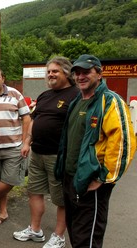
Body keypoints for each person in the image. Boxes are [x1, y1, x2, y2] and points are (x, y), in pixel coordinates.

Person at [55, 54, 136, 247]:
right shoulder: (76, 101)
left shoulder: (110, 101)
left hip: (91, 181)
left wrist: (103, 177)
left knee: (87, 238)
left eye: (86, 72)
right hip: (71, 179)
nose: (81, 77)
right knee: (75, 231)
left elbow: (123, 143)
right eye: (77, 73)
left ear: (99, 74)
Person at [13, 56, 79, 248]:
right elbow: (34, 120)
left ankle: (59, 236)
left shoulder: (75, 95)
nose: (50, 74)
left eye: (55, 71)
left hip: (59, 157)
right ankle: (35, 230)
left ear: (66, 73)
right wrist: (27, 142)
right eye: (49, 71)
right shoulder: (44, 95)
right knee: (34, 191)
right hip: (37, 153)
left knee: (61, 198)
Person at [0, 67, 31, 226]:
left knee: (11, 179)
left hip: (13, 145)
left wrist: (24, 142)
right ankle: (3, 212)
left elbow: (26, 118)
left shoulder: (15, 94)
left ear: (3, 78)